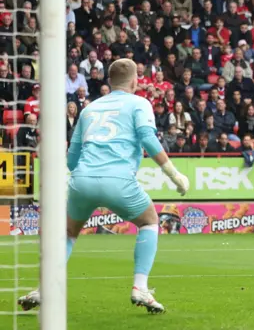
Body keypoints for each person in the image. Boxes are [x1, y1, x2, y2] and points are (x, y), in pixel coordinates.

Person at [17, 59, 190, 314]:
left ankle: (44, 289)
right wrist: (174, 174)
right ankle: (140, 287)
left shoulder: (89, 109)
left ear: (109, 82)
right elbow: (148, 138)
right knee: (150, 221)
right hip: (119, 180)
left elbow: (72, 158)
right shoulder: (139, 103)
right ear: (135, 81)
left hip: (82, 180)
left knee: (68, 233)